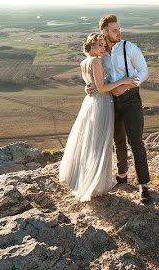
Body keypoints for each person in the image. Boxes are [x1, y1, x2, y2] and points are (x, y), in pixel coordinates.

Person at [59, 32, 137, 202]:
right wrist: (123, 81)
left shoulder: (84, 62)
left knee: (92, 141)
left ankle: (86, 179)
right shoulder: (95, 61)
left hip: (90, 103)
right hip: (101, 103)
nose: (103, 49)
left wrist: (89, 88)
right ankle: (95, 183)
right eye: (99, 46)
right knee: (101, 143)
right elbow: (101, 88)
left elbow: (90, 85)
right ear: (91, 47)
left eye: (103, 45)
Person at [86, 14, 152, 205]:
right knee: (118, 140)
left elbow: (144, 71)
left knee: (136, 141)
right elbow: (94, 74)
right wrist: (89, 86)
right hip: (110, 101)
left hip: (131, 99)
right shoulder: (100, 53)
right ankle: (122, 176)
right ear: (104, 32)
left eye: (119, 29)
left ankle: (144, 185)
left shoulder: (129, 47)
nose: (118, 32)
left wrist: (127, 86)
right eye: (114, 30)